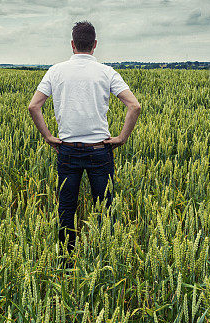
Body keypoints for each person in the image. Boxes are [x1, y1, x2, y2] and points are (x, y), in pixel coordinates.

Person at [27, 21, 142, 255]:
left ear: (72, 44)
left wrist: (48, 136)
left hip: (67, 150)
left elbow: (33, 106)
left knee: (67, 209)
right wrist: (121, 138)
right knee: (105, 208)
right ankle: (102, 258)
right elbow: (134, 106)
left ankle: (66, 263)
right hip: (100, 150)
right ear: (95, 45)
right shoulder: (107, 72)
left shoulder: (55, 71)